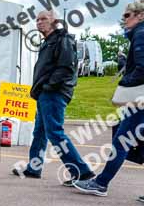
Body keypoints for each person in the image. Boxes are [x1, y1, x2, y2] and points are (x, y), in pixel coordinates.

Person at [73, 0, 144, 206]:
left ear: (140, 15)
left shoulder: (142, 33)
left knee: (122, 139)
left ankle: (100, 183)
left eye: (127, 15)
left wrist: (124, 82)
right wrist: (126, 64)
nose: (124, 20)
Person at [11, 10, 94, 185]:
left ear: (54, 21)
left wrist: (48, 86)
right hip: (45, 93)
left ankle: (81, 171)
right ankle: (34, 167)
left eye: (43, 19)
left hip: (54, 93)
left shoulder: (62, 39)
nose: (39, 22)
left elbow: (66, 68)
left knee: (55, 132)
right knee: (40, 131)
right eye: (37, 20)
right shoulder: (49, 41)